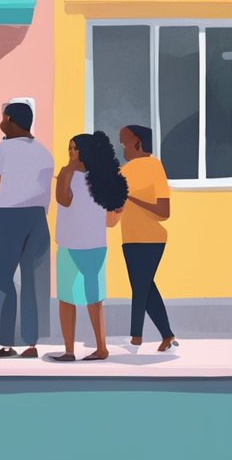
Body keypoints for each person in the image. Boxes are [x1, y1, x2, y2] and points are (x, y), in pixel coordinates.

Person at [0, 101, 53, 359]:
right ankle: (31, 343)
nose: (1, 122)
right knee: (32, 281)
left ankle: (7, 342)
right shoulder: (45, 152)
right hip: (36, 218)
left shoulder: (2, 150)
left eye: (3, 118)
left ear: (10, 119)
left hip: (6, 217)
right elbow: (47, 194)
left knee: (2, 279)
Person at [48, 132, 127, 362]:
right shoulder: (70, 173)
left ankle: (101, 348)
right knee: (67, 299)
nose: (72, 153)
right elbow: (64, 199)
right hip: (70, 243)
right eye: (69, 148)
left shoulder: (96, 176)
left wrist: (68, 171)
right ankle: (69, 350)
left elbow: (66, 200)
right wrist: (68, 170)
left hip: (92, 245)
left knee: (93, 299)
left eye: (75, 148)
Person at [117, 125, 178, 353]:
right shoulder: (123, 172)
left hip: (152, 239)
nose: (122, 148)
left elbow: (164, 211)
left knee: (140, 287)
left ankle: (136, 337)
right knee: (145, 287)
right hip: (129, 238)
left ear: (137, 141)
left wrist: (131, 197)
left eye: (124, 143)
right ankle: (167, 335)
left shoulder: (154, 166)